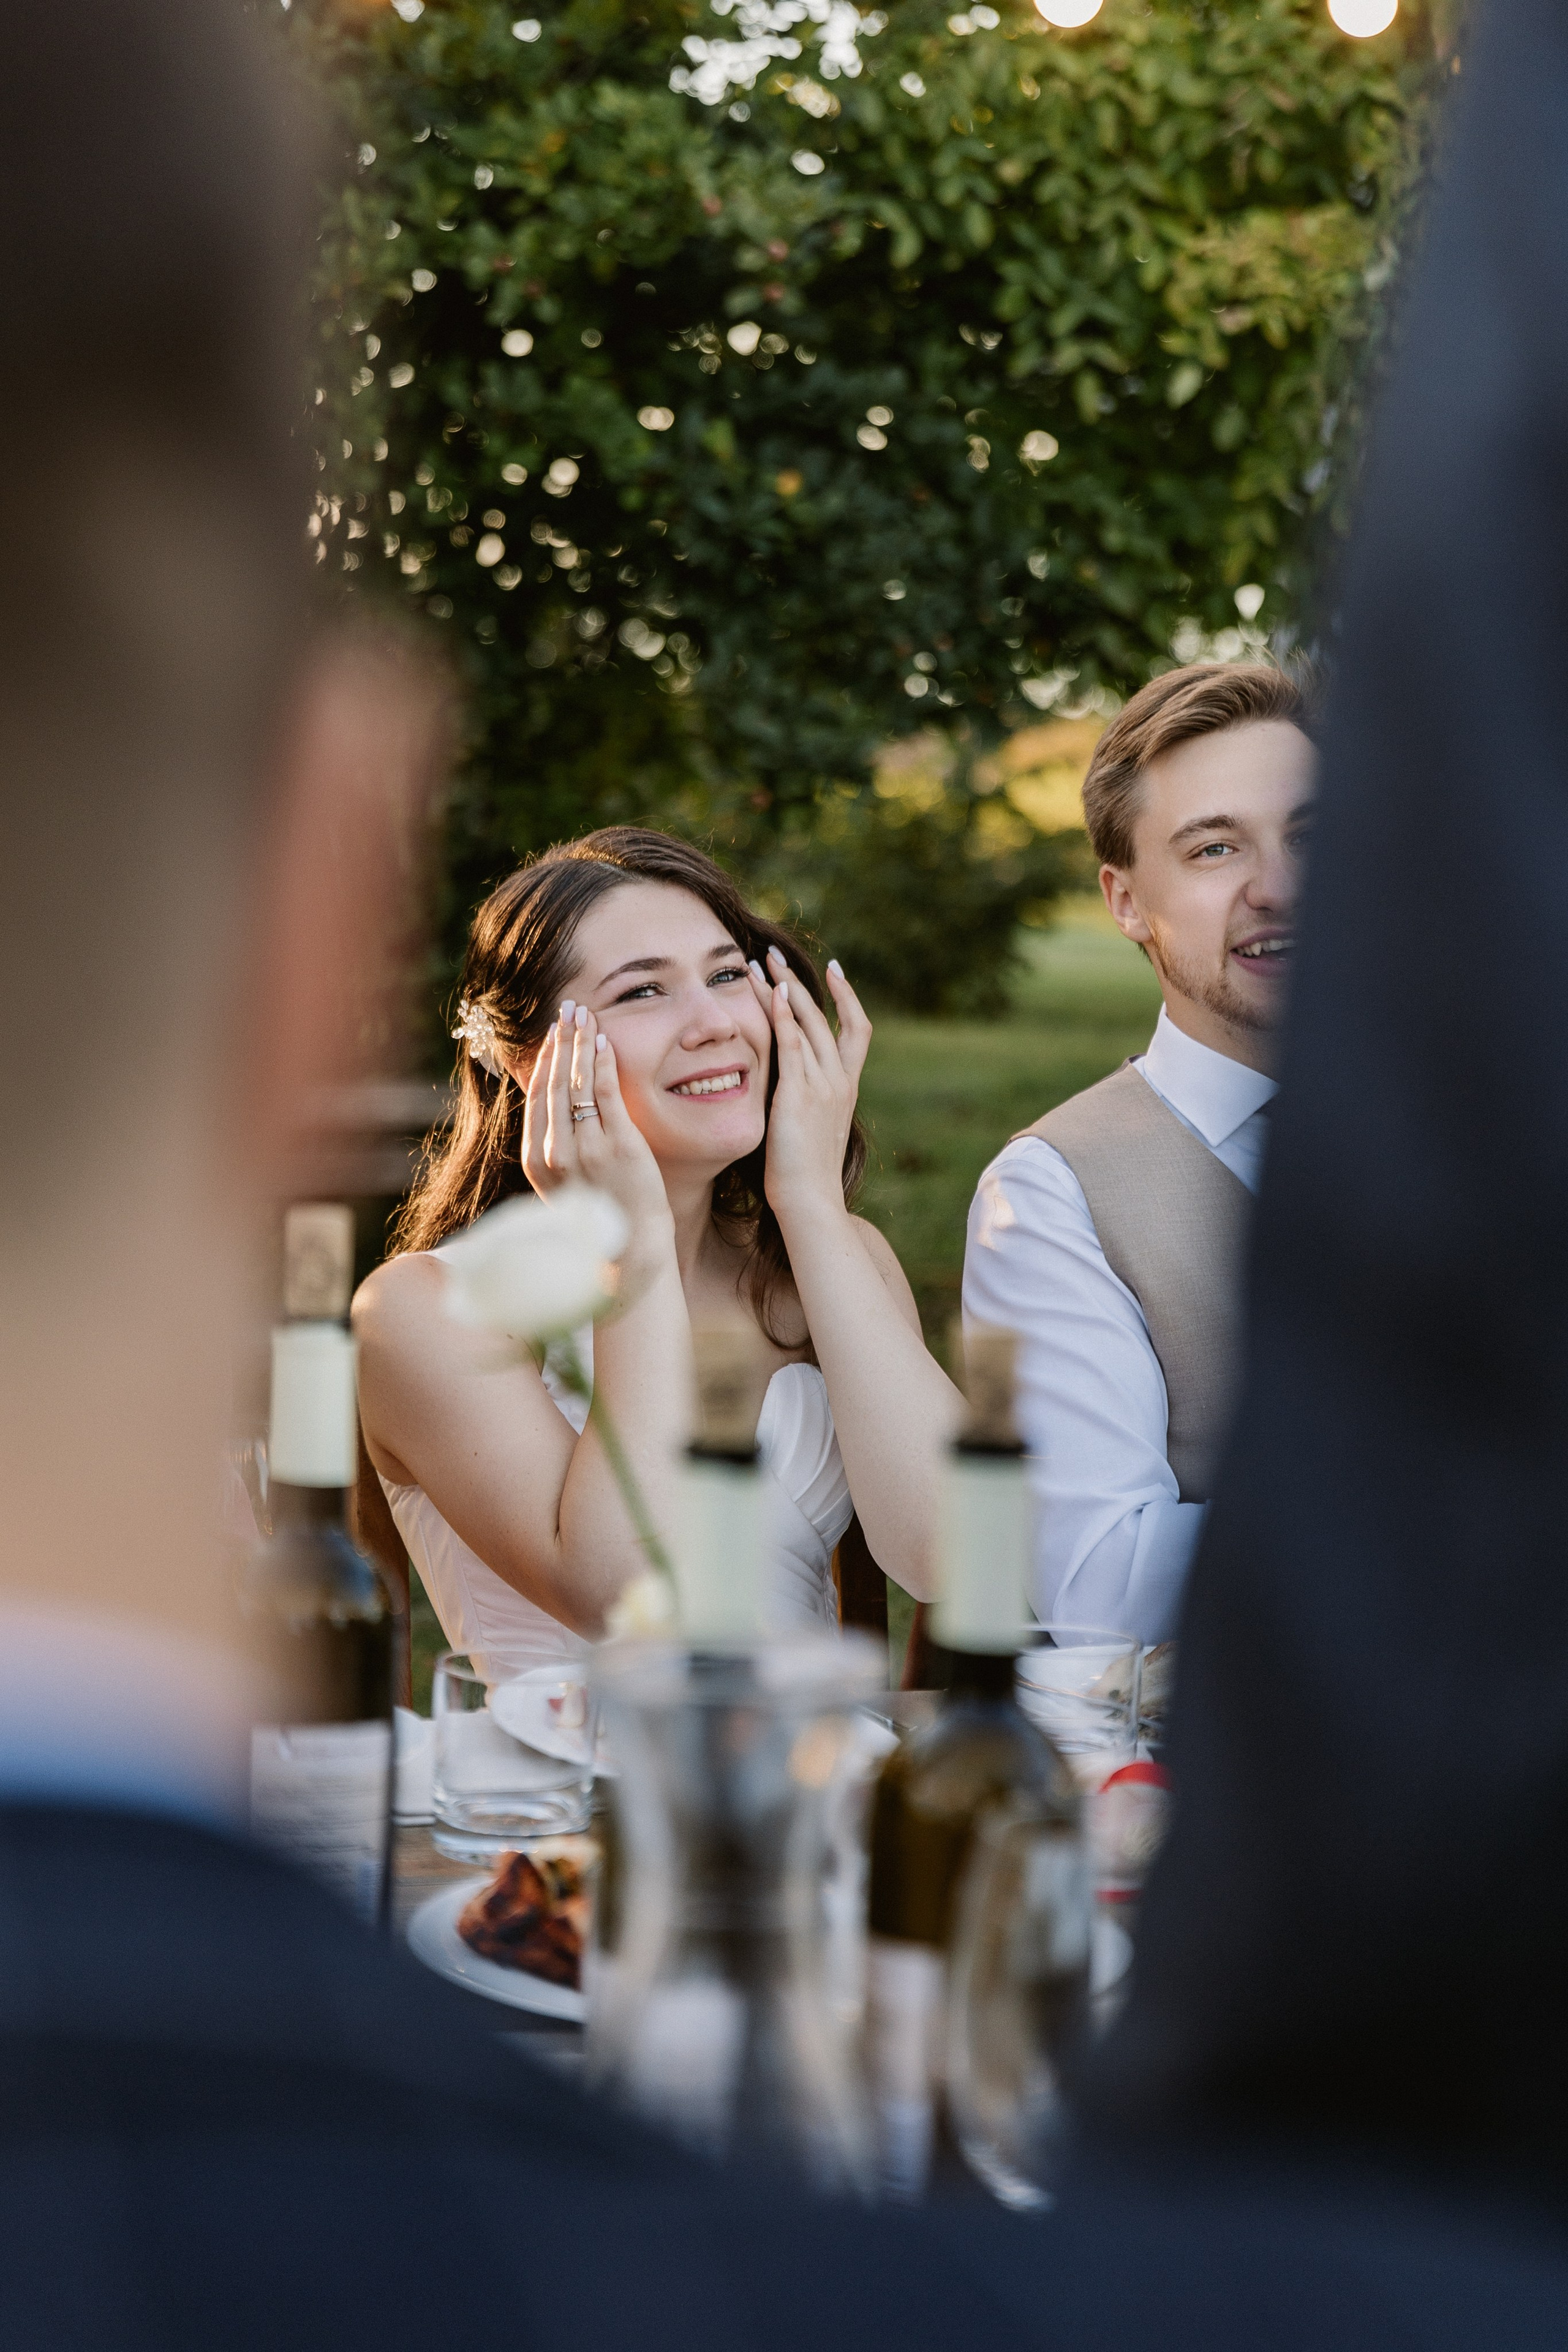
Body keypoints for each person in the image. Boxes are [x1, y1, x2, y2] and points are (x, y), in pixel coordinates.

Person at [353, 834, 956, 1684]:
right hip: (569, 1806)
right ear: (531, 1064)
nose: (714, 1025)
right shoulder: (425, 1312)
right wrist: (631, 1249)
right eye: (642, 991)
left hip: (824, 1794)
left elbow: (960, 1560)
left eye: (726, 974)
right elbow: (624, 1600)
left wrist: (813, 1206)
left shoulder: (828, 1261)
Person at [963, 663, 1315, 1640]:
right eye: (1213, 849)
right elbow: (1101, 1584)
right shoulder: (1052, 1193)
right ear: (1126, 902)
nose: (1278, 889)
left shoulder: (1483, 1118)